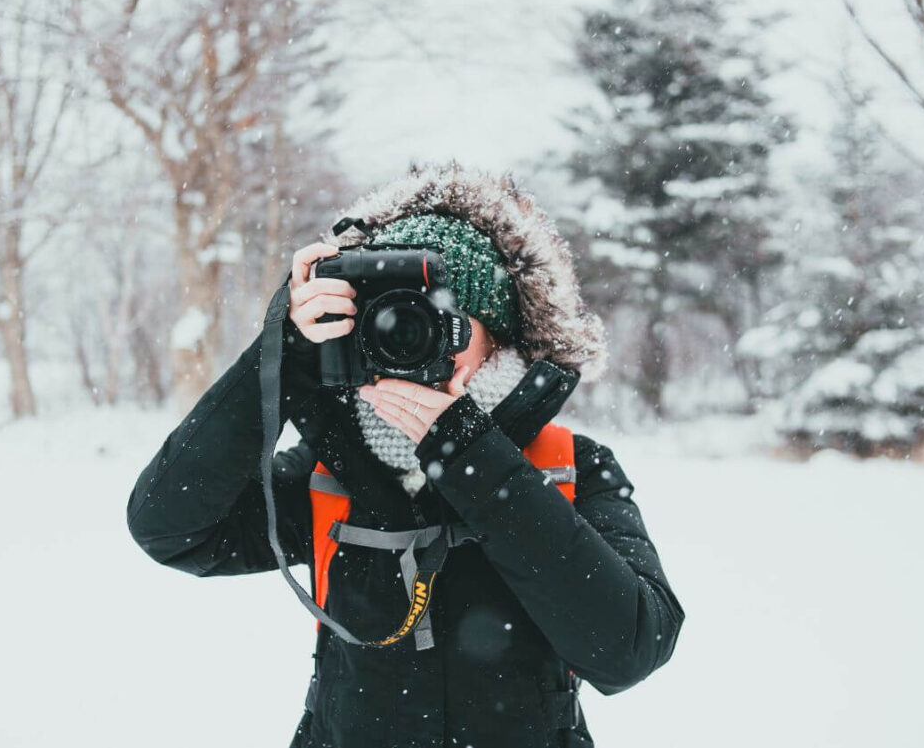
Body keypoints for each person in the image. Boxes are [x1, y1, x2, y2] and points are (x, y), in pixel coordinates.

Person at [126, 163, 684, 748]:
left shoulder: (568, 466)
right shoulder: (337, 468)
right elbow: (171, 529)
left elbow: (631, 650)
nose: (405, 342)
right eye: (385, 323)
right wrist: (279, 357)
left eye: (438, 324)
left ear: (499, 335)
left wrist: (470, 454)